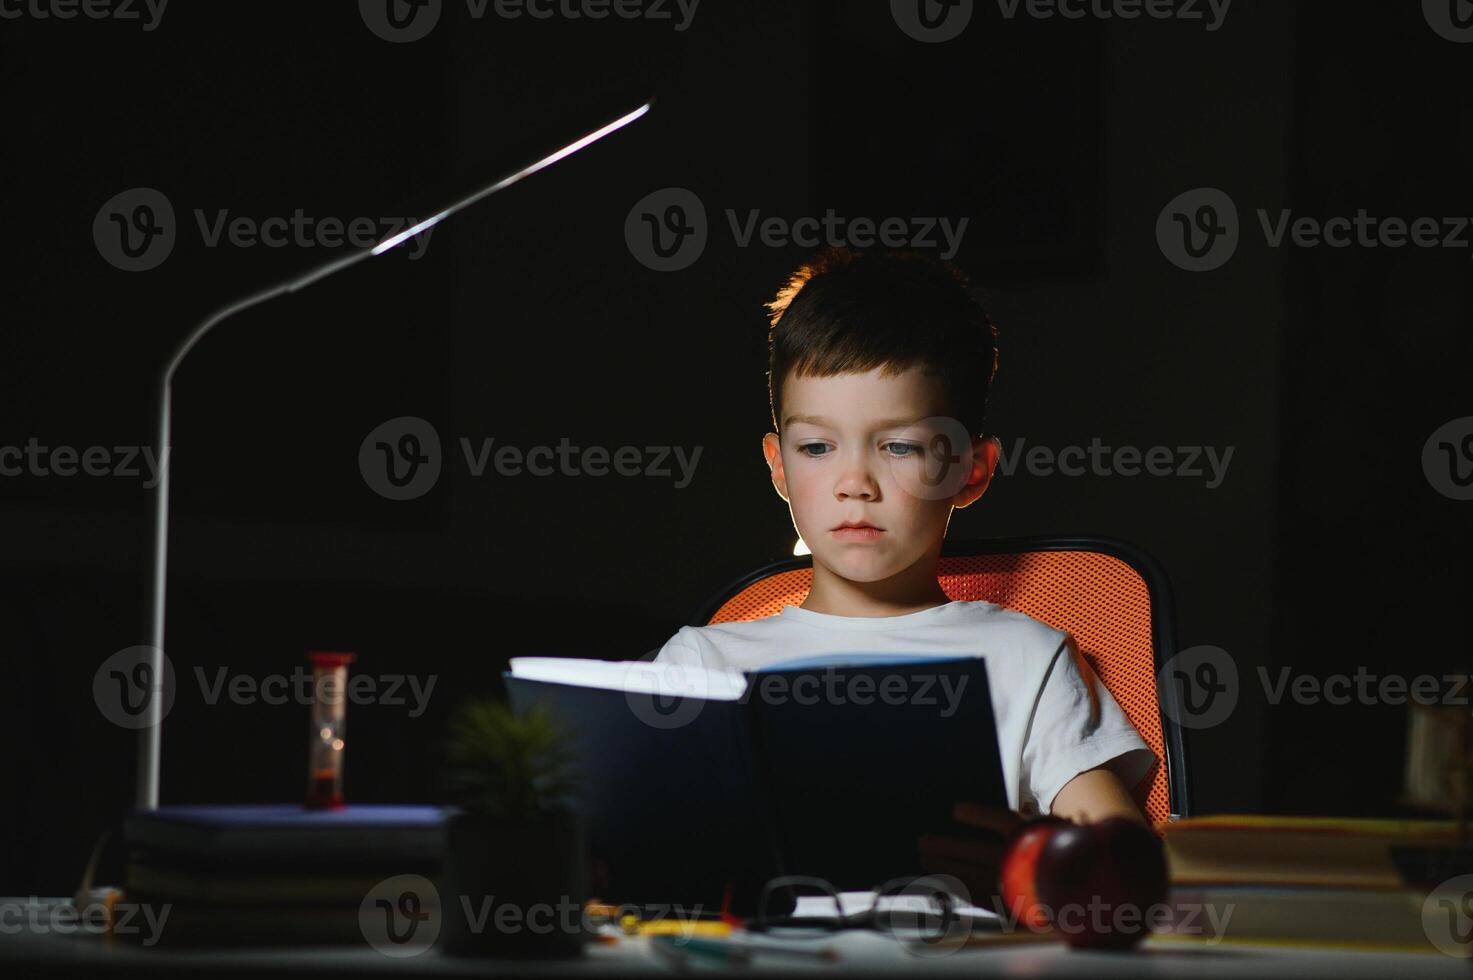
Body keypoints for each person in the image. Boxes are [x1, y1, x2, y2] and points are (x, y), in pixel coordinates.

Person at [650, 246, 1155, 897]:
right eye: (816, 447)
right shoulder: (702, 663)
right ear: (778, 467)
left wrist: (1025, 865)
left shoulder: (1024, 658)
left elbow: (1126, 865)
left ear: (970, 471)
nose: (854, 483)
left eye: (899, 446)